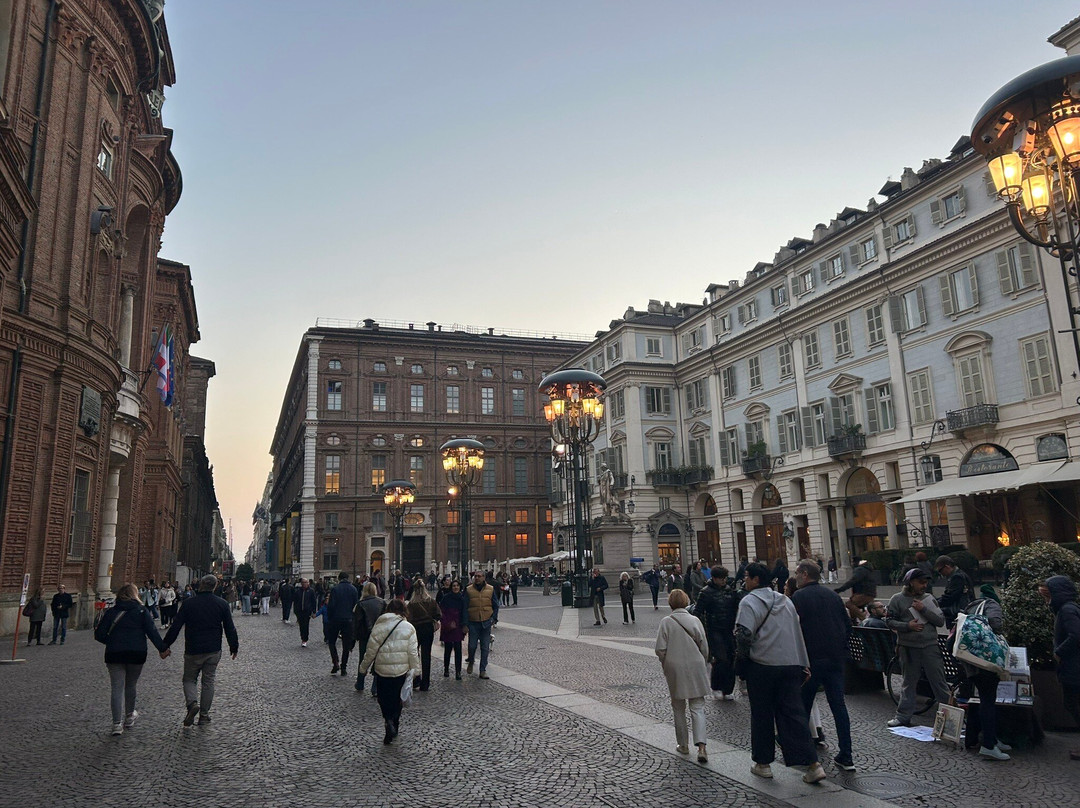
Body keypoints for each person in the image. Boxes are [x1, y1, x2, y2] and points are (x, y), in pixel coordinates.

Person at [735, 562, 826, 784]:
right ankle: (812, 765)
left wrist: (742, 661)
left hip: (763, 665)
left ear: (756, 580)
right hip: (789, 664)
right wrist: (803, 662)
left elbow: (744, 635)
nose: (744, 580)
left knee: (762, 715)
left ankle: (763, 763)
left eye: (747, 576)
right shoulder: (785, 600)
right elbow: (796, 631)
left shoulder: (749, 601)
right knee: (794, 715)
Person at [791, 558, 856, 771]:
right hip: (835, 659)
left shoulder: (798, 597)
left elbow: (794, 629)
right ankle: (846, 754)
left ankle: (803, 752)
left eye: (797, 573)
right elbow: (848, 625)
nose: (796, 577)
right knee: (839, 706)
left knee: (803, 706)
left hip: (811, 660)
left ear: (805, 574)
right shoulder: (833, 595)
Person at [161, 574, 239, 727]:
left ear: (200, 585)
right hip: (213, 649)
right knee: (208, 681)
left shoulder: (189, 604)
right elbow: (230, 628)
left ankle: (192, 704)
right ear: (215, 586)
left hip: (193, 648)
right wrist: (233, 646)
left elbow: (176, 626)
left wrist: (165, 645)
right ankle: (204, 715)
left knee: (189, 679)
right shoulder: (221, 604)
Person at [95, 583, 169, 735]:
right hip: (137, 653)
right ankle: (129, 716)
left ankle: (116, 724)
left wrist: (112, 642)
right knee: (131, 685)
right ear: (135, 595)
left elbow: (99, 634)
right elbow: (152, 632)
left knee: (116, 688)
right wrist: (163, 649)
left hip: (114, 654)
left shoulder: (111, 612)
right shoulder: (142, 611)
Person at [884, 568, 951, 728]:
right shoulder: (897, 599)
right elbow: (889, 621)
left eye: (926, 582)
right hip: (908, 647)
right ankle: (903, 716)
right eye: (921, 582)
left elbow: (940, 621)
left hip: (929, 646)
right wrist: (907, 626)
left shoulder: (928, 598)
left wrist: (924, 610)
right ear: (910, 583)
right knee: (908, 682)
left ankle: (951, 718)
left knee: (939, 682)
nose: (924, 585)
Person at [655, 588, 711, 762]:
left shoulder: (666, 622)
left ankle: (683, 745)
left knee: (678, 707)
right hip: (695, 665)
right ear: (686, 601)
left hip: (675, 667)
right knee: (698, 707)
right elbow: (704, 646)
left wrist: (667, 662)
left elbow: (660, 649)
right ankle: (702, 746)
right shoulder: (695, 620)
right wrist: (702, 661)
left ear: (670, 603)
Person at [357, 598, 421, 745]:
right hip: (401, 670)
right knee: (397, 699)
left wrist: (363, 668)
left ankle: (387, 720)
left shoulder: (379, 626)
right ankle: (394, 722)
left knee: (384, 699)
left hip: (382, 670)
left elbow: (370, 651)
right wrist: (416, 672)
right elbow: (413, 653)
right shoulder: (409, 627)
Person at [960, 584, 1010, 760]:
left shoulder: (971, 606)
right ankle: (989, 745)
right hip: (986, 663)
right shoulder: (992, 605)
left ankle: (993, 739)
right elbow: (995, 624)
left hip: (971, 661)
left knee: (983, 699)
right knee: (988, 701)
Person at [1043, 575, 1080, 760]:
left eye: (1049, 594)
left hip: (1074, 667)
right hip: (1072, 666)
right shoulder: (1065, 609)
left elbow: (1076, 635)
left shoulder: (1067, 610)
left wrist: (1059, 652)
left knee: (1074, 704)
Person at [695, 566, 739, 701]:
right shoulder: (706, 592)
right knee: (721, 658)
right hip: (714, 630)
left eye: (725, 578)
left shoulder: (730, 591)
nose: (724, 581)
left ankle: (728, 689)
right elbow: (698, 612)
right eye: (721, 578)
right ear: (714, 578)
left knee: (731, 658)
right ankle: (716, 686)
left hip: (729, 629)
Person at [405, 580, 441, 691]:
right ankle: (425, 683)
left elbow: (407, 618)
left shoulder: (411, 604)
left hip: (415, 630)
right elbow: (438, 614)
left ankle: (416, 680)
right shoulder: (431, 601)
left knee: (414, 655)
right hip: (428, 629)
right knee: (426, 655)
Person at [465, 569, 499, 679]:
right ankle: (471, 660)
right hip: (473, 622)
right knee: (472, 646)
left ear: (484, 577)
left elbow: (496, 604)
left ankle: (482, 670)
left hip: (486, 621)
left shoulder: (491, 589)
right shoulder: (468, 589)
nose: (477, 578)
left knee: (485, 647)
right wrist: (465, 622)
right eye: (476, 576)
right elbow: (464, 606)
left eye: (479, 576)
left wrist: (493, 618)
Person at [354, 581, 385, 691]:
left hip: (364, 636)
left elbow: (356, 623)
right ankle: (375, 687)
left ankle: (360, 682)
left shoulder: (360, 604)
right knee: (378, 659)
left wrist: (354, 638)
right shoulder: (382, 602)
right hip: (379, 635)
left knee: (363, 659)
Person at [327, 570, 359, 677]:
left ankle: (335, 662)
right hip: (349, 619)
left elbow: (331, 606)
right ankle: (344, 667)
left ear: (339, 579)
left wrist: (330, 618)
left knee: (331, 642)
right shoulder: (354, 589)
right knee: (346, 645)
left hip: (336, 619)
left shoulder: (335, 589)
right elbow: (356, 605)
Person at [439, 579, 468, 680]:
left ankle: (458, 671)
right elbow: (441, 611)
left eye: (457, 586)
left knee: (458, 649)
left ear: (460, 587)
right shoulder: (446, 598)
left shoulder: (462, 598)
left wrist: (464, 624)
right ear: (451, 588)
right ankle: (446, 668)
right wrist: (447, 623)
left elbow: (465, 612)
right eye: (454, 586)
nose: (456, 587)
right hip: (448, 626)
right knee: (447, 649)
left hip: (458, 626)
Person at [935, 555, 974, 628]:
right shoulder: (960, 574)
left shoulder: (956, 577)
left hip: (959, 614)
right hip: (964, 612)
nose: (941, 573)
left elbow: (950, 597)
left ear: (947, 566)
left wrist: (935, 603)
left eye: (940, 570)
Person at [835, 559, 877, 623]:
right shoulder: (868, 570)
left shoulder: (860, 570)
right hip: (871, 593)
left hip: (863, 593)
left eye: (852, 562)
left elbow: (853, 581)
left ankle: (863, 619)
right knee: (853, 607)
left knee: (849, 604)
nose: (851, 563)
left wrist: (840, 589)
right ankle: (854, 622)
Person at [293, 578, 318, 647]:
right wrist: (295, 610)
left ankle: (305, 639)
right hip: (300, 611)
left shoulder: (311, 591)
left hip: (307, 611)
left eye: (306, 582)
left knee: (306, 625)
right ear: (301, 583)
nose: (304, 584)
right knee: (301, 626)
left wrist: (314, 611)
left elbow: (314, 601)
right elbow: (295, 601)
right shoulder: (298, 591)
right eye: (303, 582)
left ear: (308, 583)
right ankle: (302, 637)